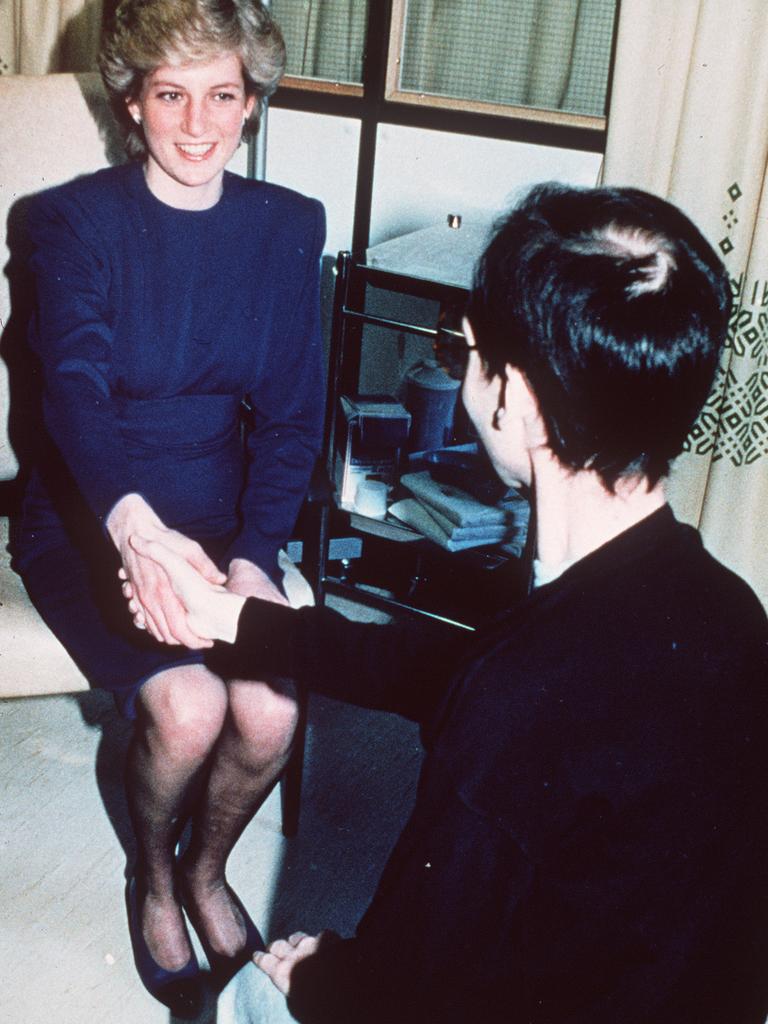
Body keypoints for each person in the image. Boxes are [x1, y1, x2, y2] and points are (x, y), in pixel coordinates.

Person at [128, 183, 768, 1024]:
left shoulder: (514, 709)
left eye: (470, 354)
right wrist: (240, 623)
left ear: (516, 399)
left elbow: (414, 987)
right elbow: (458, 672)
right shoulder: (724, 610)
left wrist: (319, 977)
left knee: (250, 992)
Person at [13, 0, 325, 1017]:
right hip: (94, 509)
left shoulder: (287, 226)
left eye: (223, 96)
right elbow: (71, 394)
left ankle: (208, 864)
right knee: (188, 710)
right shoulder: (68, 223)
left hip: (228, 514)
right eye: (172, 96)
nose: (199, 126)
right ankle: (153, 871)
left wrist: (255, 557)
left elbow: (288, 420)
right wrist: (140, 536)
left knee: (272, 708)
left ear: (253, 103)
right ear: (133, 104)